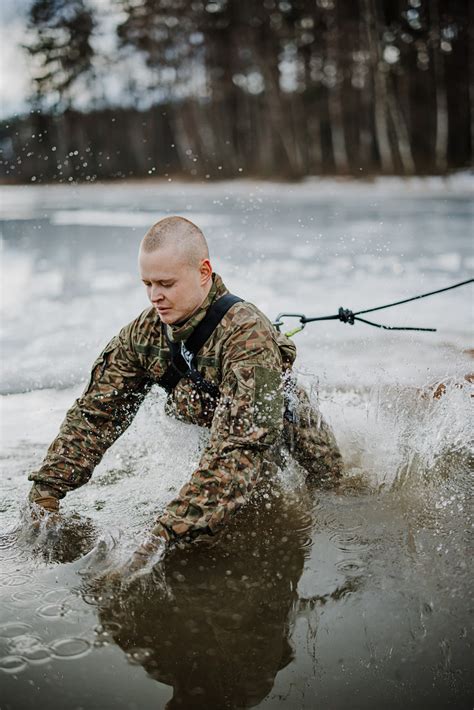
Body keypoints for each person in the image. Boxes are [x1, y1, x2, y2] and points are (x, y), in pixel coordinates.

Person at [28, 216, 342, 565]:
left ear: (204, 272)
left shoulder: (248, 337)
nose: (154, 296)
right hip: (224, 432)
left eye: (165, 283)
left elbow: (240, 448)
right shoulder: (145, 335)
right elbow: (94, 414)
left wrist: (164, 535)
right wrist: (46, 492)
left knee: (332, 493)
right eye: (147, 284)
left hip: (282, 428)